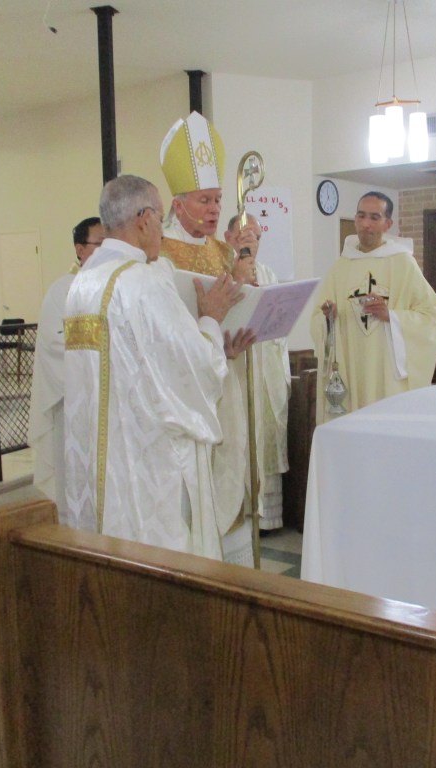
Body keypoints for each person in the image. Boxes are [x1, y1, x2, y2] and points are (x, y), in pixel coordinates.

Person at [63, 175, 254, 560]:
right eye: (160, 218)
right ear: (144, 219)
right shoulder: (141, 282)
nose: (161, 233)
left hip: (100, 465)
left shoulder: (82, 284)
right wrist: (211, 319)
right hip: (148, 464)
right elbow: (194, 370)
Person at [158, 111, 254, 565]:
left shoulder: (223, 251)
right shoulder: (159, 253)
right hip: (186, 386)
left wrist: (237, 330)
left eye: (217, 200)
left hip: (224, 374)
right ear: (178, 205)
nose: (215, 210)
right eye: (204, 201)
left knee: (228, 462)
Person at [310, 192, 436, 424]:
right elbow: (316, 318)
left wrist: (391, 316)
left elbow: (432, 315)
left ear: (388, 224)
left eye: (374, 217)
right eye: (361, 216)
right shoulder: (341, 267)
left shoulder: (403, 263)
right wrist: (328, 318)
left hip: (386, 373)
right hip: (351, 367)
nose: (366, 224)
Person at [28, 216, 103, 517]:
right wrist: (105, 344)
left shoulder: (119, 285)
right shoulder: (62, 290)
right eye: (100, 244)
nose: (107, 250)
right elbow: (54, 342)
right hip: (74, 403)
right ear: (80, 249)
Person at [226, 213, 290, 532]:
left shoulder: (267, 274)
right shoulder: (223, 269)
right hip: (235, 367)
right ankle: (240, 513)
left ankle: (267, 519)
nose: (252, 242)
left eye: (256, 237)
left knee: (263, 433)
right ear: (228, 238)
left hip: (264, 364)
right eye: (244, 236)